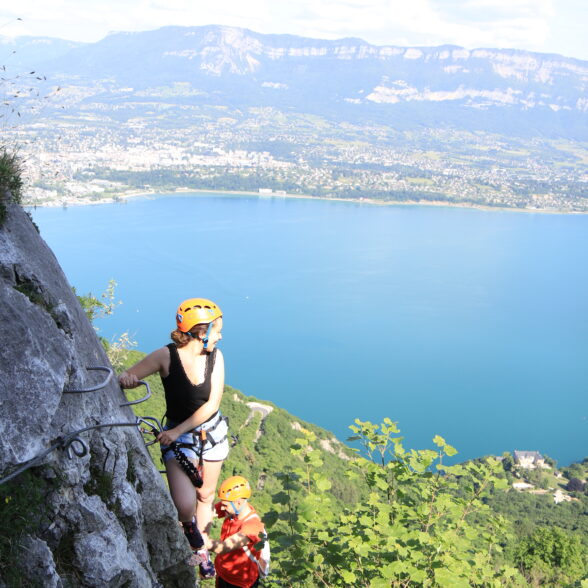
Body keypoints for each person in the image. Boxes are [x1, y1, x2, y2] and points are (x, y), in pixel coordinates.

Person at [119, 297, 229, 579]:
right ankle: (190, 528)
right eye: (217, 330)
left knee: (205, 494)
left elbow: (211, 405)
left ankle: (200, 549)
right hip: (179, 437)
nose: (221, 335)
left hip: (208, 433)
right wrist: (128, 379)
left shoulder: (216, 358)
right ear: (201, 333)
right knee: (184, 505)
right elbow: (130, 374)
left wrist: (176, 433)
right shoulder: (165, 356)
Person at [207, 476, 269, 588]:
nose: (222, 508)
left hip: (240, 583)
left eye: (225, 505)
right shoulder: (230, 508)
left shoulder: (253, 526)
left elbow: (224, 547)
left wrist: (201, 540)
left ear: (239, 503)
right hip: (222, 574)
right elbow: (208, 512)